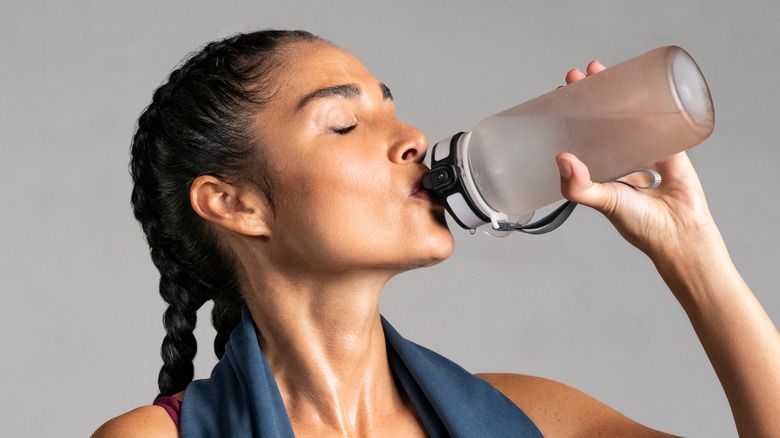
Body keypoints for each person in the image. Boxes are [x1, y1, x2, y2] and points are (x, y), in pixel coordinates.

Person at [92, 30, 780, 437]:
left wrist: (694, 255)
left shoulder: (529, 415)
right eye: (343, 123)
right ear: (236, 204)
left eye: (393, 109)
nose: (413, 138)